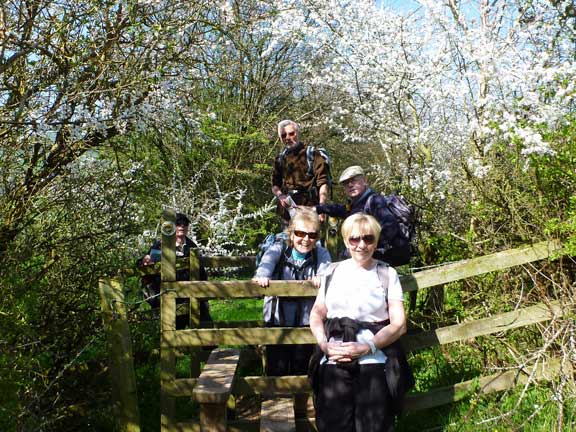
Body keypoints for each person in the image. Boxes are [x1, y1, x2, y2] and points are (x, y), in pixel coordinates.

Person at [309, 213, 412, 432]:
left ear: (376, 240)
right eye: (354, 239)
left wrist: (367, 347)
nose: (361, 245)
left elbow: (399, 323)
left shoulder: (387, 273)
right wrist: (323, 344)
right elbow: (318, 312)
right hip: (333, 362)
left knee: (374, 426)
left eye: (368, 239)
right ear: (346, 241)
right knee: (332, 426)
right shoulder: (330, 271)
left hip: (373, 364)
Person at [253, 209, 332, 376]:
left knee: (302, 369)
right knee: (277, 369)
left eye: (311, 235)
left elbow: (327, 273)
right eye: (300, 233)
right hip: (277, 321)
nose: (305, 239)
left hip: (306, 322)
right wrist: (262, 278)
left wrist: (321, 277)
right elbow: (264, 268)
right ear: (291, 234)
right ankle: (276, 401)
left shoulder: (320, 253)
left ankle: (301, 402)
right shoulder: (277, 250)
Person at [315, 165, 410, 266]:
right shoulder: (356, 204)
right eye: (346, 183)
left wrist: (368, 244)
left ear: (365, 180)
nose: (350, 185)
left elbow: (390, 227)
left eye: (354, 180)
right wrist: (317, 208)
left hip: (384, 257)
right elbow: (340, 209)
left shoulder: (375, 201)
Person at [138, 212, 211, 324]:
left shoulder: (192, 246)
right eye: (178, 223)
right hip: (169, 294)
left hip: (192, 293)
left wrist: (204, 293)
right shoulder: (161, 245)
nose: (182, 226)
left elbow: (200, 271)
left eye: (185, 224)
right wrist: (145, 260)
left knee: (205, 326)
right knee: (175, 331)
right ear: (172, 226)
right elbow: (144, 264)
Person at [271, 120, 330, 223]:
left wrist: (322, 208)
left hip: (310, 209)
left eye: (291, 133)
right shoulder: (280, 159)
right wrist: (281, 195)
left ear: (298, 133)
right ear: (280, 138)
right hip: (287, 212)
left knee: (310, 238)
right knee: (288, 238)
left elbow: (323, 182)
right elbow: (275, 185)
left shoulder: (312, 154)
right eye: (284, 135)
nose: (288, 138)